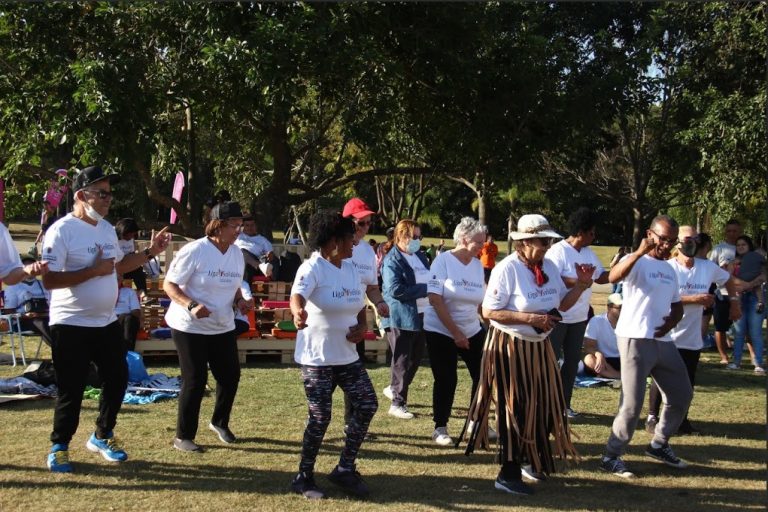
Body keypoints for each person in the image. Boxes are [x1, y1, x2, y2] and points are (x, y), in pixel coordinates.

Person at [41, 165, 171, 473]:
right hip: (70, 323)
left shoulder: (105, 229)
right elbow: (49, 280)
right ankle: (60, 447)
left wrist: (150, 252)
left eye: (110, 194)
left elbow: (118, 266)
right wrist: (93, 271)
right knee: (71, 388)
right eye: (101, 193)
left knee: (118, 377)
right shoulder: (62, 230)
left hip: (105, 321)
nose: (108, 199)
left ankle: (102, 434)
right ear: (81, 196)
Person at [464, 214, 593, 495]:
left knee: (545, 405)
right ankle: (507, 474)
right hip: (510, 346)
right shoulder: (507, 269)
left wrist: (581, 285)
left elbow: (562, 304)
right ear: (524, 243)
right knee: (516, 408)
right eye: (542, 241)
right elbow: (489, 311)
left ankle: (530, 459)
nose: (547, 246)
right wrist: (531, 319)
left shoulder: (548, 267)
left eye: (548, 241)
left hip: (539, 347)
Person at [289, 210, 377, 499]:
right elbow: (297, 296)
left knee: (367, 404)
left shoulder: (351, 269)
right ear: (332, 241)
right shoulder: (312, 268)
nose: (355, 242)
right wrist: (298, 312)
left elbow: (359, 303)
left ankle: (344, 468)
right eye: (349, 237)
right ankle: (304, 476)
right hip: (317, 358)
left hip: (347, 356)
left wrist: (363, 326)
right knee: (320, 417)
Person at [599, 214, 690, 479]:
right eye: (663, 239)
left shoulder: (670, 269)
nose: (667, 245)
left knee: (681, 394)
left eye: (672, 241)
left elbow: (677, 305)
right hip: (634, 339)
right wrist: (638, 253)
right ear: (650, 234)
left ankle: (659, 444)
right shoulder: (636, 260)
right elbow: (613, 276)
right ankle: (611, 456)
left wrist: (672, 322)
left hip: (662, 341)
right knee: (632, 404)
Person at [163, 201, 251, 452]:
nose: (239, 230)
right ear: (218, 225)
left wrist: (240, 301)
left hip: (222, 325)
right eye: (234, 225)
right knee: (195, 379)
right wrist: (191, 305)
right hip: (189, 326)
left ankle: (219, 423)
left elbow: (234, 286)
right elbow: (169, 285)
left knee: (230, 376)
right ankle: (183, 437)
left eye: (241, 225)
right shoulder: (195, 250)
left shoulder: (236, 253)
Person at [644, 226, 741, 437]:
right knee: (661, 379)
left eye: (696, 238)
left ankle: (681, 420)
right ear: (677, 241)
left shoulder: (707, 267)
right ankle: (652, 417)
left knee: (687, 381)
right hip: (667, 334)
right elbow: (660, 297)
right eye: (688, 239)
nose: (692, 243)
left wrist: (734, 303)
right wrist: (695, 299)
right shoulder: (667, 268)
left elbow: (728, 279)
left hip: (692, 337)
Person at [423, 217, 487, 446]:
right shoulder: (443, 261)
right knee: (447, 378)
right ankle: (440, 427)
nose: (482, 246)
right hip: (440, 329)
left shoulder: (477, 265)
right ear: (464, 239)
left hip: (471, 328)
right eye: (479, 242)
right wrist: (456, 333)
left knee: (484, 374)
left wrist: (490, 324)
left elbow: (481, 302)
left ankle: (475, 421)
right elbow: (435, 299)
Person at [545, 207, 609, 418]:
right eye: (591, 232)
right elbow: (553, 278)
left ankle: (564, 405)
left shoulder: (588, 252)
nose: (594, 236)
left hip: (579, 318)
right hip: (558, 317)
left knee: (572, 363)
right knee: (551, 362)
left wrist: (625, 268)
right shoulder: (558, 251)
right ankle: (547, 404)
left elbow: (601, 277)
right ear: (580, 232)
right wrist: (580, 281)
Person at [340, 198, 389, 434]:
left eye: (369, 223)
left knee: (354, 373)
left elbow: (371, 286)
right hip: (332, 320)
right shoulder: (334, 246)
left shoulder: (368, 251)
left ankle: (350, 422)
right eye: (361, 223)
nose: (366, 227)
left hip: (356, 319)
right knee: (328, 377)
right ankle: (316, 420)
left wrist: (379, 302)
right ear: (347, 221)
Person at [380, 219, 430, 419]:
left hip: (422, 314)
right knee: (402, 359)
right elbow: (395, 289)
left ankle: (394, 389)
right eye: (414, 236)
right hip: (401, 316)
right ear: (401, 236)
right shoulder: (392, 260)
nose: (417, 240)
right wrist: (425, 289)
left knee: (415, 358)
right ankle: (397, 403)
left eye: (419, 236)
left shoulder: (420, 256)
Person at [726, 235, 766, 372]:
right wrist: (746, 284)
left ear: (749, 246)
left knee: (755, 332)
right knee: (739, 332)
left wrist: (748, 285)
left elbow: (763, 276)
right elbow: (729, 278)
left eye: (744, 244)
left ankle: (758, 364)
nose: (741, 247)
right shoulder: (732, 263)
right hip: (738, 298)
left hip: (756, 298)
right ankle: (736, 362)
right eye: (738, 245)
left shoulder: (757, 260)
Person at [708, 219, 742, 364]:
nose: (732, 234)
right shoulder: (719, 249)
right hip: (722, 294)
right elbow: (710, 268)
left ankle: (751, 357)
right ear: (725, 232)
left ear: (740, 231)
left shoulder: (745, 246)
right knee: (720, 327)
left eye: (735, 231)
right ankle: (724, 357)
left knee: (744, 327)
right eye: (729, 231)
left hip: (742, 294)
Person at [2, 255, 53, 347]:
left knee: (59, 324)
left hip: (45, 316)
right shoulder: (13, 287)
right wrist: (24, 315)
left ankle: (61, 350)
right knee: (41, 323)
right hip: (22, 321)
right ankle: (61, 350)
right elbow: (8, 312)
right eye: (27, 266)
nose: (31, 270)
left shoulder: (44, 284)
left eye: (33, 266)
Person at [582, 293, 623, 379]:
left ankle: (609, 375)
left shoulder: (630, 322)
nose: (623, 310)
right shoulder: (596, 321)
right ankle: (618, 376)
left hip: (624, 359)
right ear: (609, 307)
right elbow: (588, 347)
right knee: (588, 359)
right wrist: (598, 354)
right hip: (604, 360)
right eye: (620, 308)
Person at [115, 218, 150, 303]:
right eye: (129, 235)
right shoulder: (113, 238)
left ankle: (142, 293)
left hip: (127, 267)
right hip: (115, 267)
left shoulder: (131, 240)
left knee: (139, 271)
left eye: (133, 235)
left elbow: (132, 254)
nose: (131, 237)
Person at [234, 214, 274, 282]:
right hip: (237, 263)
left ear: (256, 226)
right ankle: (260, 266)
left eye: (252, 225)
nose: (250, 228)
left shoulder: (262, 240)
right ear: (242, 227)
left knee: (243, 254)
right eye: (247, 225)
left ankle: (246, 286)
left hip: (254, 266)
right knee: (242, 252)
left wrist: (269, 255)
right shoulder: (238, 236)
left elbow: (270, 254)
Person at [115, 274, 141, 352]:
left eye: (118, 278)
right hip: (108, 318)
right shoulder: (104, 292)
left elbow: (136, 311)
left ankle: (128, 352)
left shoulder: (129, 292)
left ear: (122, 279)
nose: (116, 280)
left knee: (129, 319)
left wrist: (124, 315)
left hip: (125, 318)